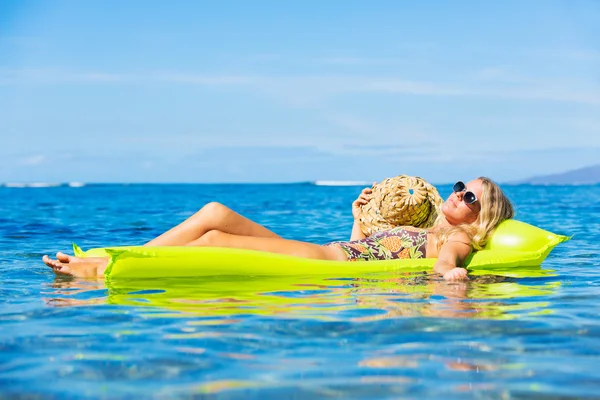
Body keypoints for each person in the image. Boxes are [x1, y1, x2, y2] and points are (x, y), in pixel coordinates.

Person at [42, 177, 514, 281]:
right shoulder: (424, 226)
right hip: (328, 249)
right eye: (458, 186)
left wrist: (452, 277)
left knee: (214, 240)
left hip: (325, 262)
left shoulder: (456, 239)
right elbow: (358, 248)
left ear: (481, 215)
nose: (457, 194)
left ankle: (104, 269)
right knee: (213, 212)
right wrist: (356, 215)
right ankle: (125, 252)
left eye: (469, 196)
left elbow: (449, 261)